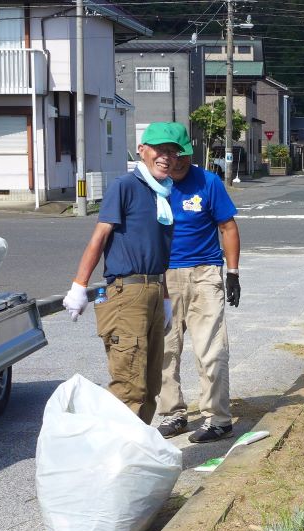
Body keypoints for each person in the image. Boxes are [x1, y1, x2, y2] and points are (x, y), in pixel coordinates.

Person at [62, 122, 191, 424]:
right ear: (142, 150)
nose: (167, 157)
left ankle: (137, 447)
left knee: (151, 386)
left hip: (154, 290)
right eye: (160, 150)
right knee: (130, 386)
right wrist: (79, 286)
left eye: (173, 152)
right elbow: (100, 237)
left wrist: (166, 297)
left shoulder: (162, 193)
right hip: (127, 292)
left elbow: (157, 252)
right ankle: (118, 452)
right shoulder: (125, 186)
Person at [154, 153, 240, 443]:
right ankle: (173, 414)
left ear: (190, 154)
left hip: (204, 273)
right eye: (171, 155)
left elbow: (227, 227)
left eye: (182, 156)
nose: (177, 162)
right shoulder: (154, 185)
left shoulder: (208, 182)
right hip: (163, 276)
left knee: (211, 349)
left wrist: (233, 273)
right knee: (165, 349)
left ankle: (218, 419)